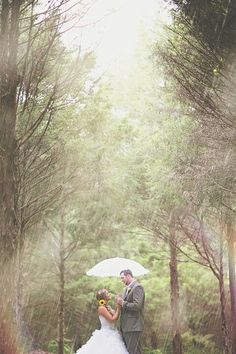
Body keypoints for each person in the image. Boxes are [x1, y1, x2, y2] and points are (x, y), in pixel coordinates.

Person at [75, 288, 129, 354]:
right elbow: (112, 320)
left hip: (112, 333)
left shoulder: (107, 307)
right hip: (106, 334)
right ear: (103, 297)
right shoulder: (101, 308)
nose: (109, 294)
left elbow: (116, 316)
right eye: (107, 293)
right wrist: (118, 308)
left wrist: (118, 303)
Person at [116, 269, 145, 354]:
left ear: (128, 276)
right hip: (126, 327)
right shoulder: (125, 289)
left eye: (122, 278)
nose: (121, 280)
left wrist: (123, 302)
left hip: (133, 326)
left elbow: (137, 306)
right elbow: (125, 306)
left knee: (134, 352)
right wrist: (119, 303)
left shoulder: (138, 287)